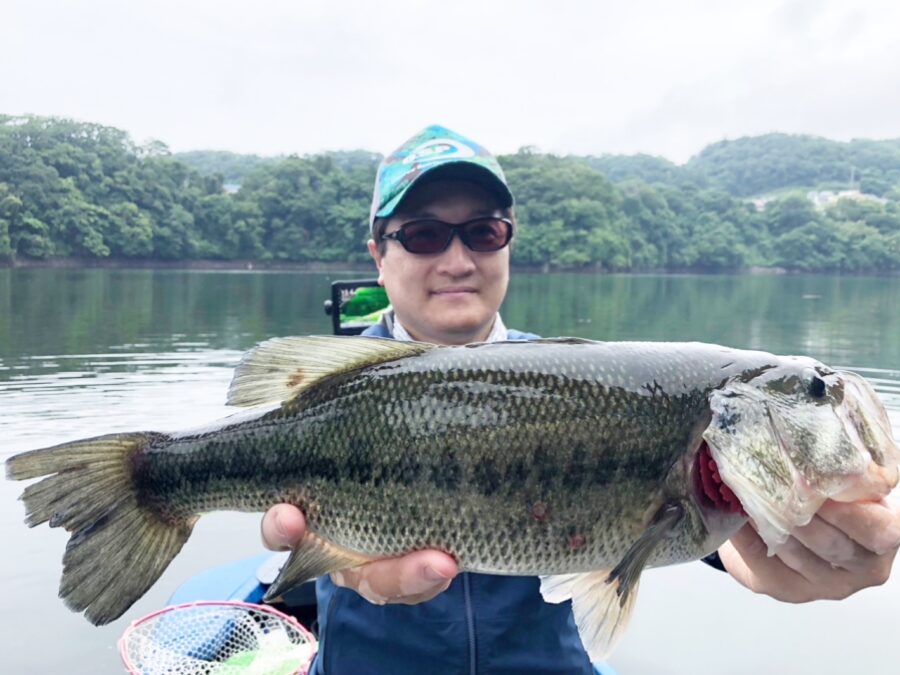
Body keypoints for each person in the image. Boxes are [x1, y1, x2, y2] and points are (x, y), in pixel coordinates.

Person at [261, 125, 900, 673]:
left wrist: (764, 549)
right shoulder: (327, 392)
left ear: (508, 242)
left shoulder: (597, 385)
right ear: (379, 255)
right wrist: (329, 553)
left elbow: (695, 521)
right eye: (425, 235)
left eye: (483, 232)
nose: (457, 259)